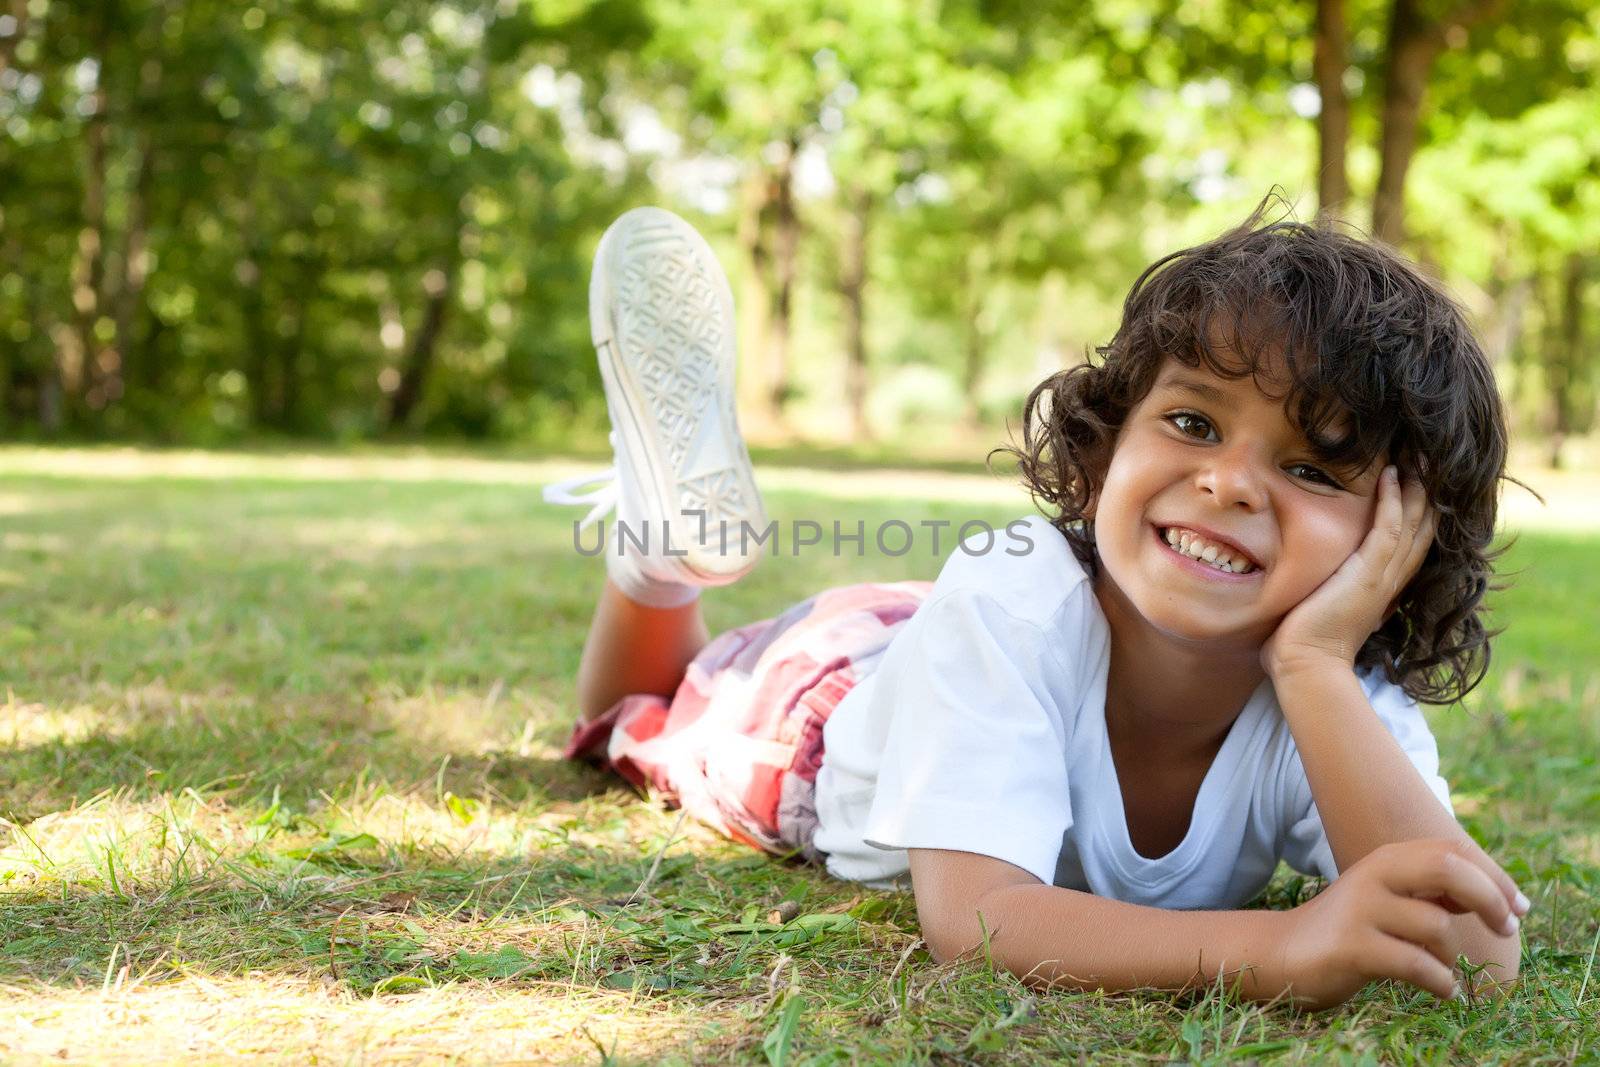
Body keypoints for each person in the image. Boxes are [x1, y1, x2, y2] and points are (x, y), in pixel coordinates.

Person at [542, 201, 1528, 1010]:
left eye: (1311, 465)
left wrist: (1312, 663)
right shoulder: (1012, 603)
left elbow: (1477, 953)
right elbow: (978, 919)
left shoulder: (1345, 698)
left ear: (1393, 544)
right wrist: (1278, 946)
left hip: (962, 649)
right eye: (1191, 421)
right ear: (1104, 454)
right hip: (831, 704)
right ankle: (658, 556)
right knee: (643, 708)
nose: (1227, 483)